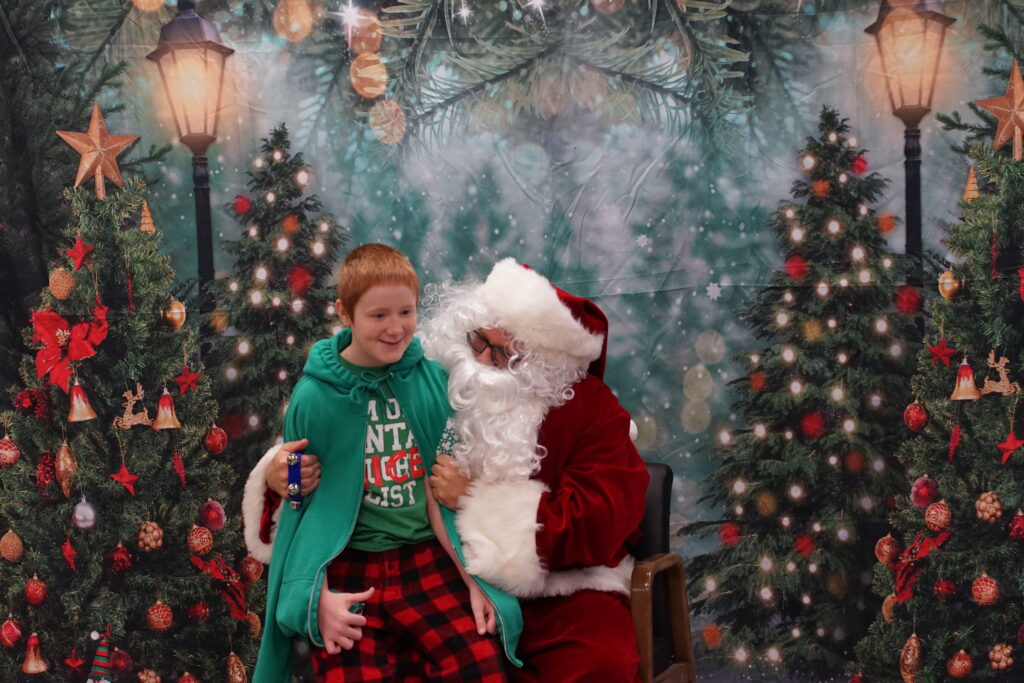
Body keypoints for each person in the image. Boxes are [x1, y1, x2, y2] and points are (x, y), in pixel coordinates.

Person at [247, 257, 649, 682]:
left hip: (557, 589)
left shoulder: (591, 411)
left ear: (544, 364)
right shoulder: (434, 373)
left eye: (505, 355)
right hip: (434, 566)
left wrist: (476, 500)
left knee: (595, 664)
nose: (482, 361)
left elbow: (602, 517)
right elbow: (335, 460)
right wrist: (279, 476)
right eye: (478, 341)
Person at [247, 244, 518, 683]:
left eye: (406, 312)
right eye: (378, 316)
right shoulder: (315, 397)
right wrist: (316, 599)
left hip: (425, 557)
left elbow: (437, 493)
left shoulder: (432, 382)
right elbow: (297, 501)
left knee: (481, 667)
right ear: (345, 313)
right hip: (350, 564)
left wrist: (474, 580)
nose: (395, 329)